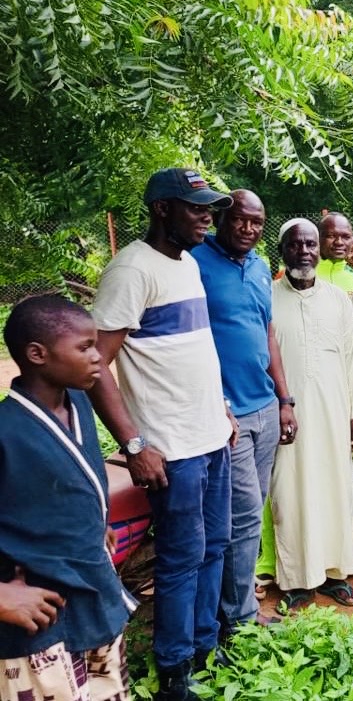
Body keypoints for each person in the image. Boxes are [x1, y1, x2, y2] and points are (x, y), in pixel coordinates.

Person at [89, 167, 235, 701]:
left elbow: (196, 346)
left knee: (214, 545)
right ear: (161, 209)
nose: (206, 217)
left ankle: (205, 646)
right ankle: (174, 670)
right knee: (181, 556)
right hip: (171, 449)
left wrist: (221, 408)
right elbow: (96, 367)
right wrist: (134, 445)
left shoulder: (189, 264)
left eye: (209, 208)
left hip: (213, 436)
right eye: (195, 207)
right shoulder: (131, 270)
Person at [0, 296, 136, 701]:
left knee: (108, 690)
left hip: (93, 598)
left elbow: (76, 476)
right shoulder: (7, 433)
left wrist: (95, 521)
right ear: (38, 354)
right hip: (38, 614)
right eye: (85, 347)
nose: (98, 357)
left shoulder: (77, 402)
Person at [191, 190, 296, 633]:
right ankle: (239, 617)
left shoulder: (257, 268)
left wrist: (284, 400)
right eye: (241, 221)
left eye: (258, 222)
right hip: (225, 413)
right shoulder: (194, 262)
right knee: (244, 512)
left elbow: (267, 334)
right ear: (220, 218)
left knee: (248, 513)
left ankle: (231, 603)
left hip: (264, 407)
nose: (250, 229)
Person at [270, 219, 353, 612]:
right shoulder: (267, 297)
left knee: (337, 489)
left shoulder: (336, 299)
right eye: (295, 244)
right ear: (282, 250)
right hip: (288, 418)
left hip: (335, 413)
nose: (304, 252)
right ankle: (298, 580)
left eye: (310, 244)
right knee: (291, 493)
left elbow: (352, 359)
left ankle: (336, 574)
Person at [315, 212, 353, 294]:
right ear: (317, 238)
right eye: (331, 236)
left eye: (346, 237)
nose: (339, 242)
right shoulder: (301, 277)